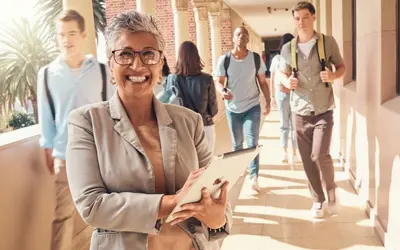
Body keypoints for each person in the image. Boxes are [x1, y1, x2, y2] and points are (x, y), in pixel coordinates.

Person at [66, 11, 232, 250]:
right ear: (111, 64)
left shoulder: (189, 122)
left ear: (160, 62)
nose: (138, 64)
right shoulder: (87, 123)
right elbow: (92, 206)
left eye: (148, 54)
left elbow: (216, 200)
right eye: (125, 54)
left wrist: (217, 217)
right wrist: (173, 201)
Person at [37, 10, 113, 250]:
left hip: (98, 157)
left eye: (71, 33)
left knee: (100, 217)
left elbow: (112, 113)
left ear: (83, 35)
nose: (66, 40)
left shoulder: (102, 71)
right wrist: (48, 147)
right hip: (65, 157)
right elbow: (46, 115)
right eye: (61, 35)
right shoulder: (47, 74)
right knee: (63, 218)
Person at [279, 1, 345, 218]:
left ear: (314, 17)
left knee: (320, 154)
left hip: (323, 109)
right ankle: (317, 200)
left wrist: (334, 75)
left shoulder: (327, 42)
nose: (301, 22)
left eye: (305, 17)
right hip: (299, 111)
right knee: (307, 160)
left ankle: (331, 188)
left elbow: (341, 66)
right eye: (297, 18)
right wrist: (288, 81)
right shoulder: (287, 49)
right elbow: (282, 74)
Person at [215, 26, 271, 193]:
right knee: (237, 143)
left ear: (247, 39)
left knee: (252, 141)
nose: (242, 36)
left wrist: (268, 100)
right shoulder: (224, 59)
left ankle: (254, 177)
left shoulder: (255, 59)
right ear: (233, 38)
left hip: (252, 105)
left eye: (244, 34)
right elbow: (219, 82)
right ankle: (238, 170)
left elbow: (262, 82)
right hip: (232, 108)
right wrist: (223, 91)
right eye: (238, 34)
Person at [164, 41, 218, 153]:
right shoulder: (207, 79)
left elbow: (166, 106)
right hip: (204, 125)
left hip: (181, 129)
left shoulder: (171, 79)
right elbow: (213, 110)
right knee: (206, 166)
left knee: (187, 167)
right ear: (197, 56)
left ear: (179, 57)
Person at [269, 33, 300, 165]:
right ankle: (285, 151)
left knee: (292, 125)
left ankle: (293, 152)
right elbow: (272, 77)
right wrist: (272, 97)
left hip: (294, 93)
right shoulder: (277, 59)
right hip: (281, 93)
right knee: (285, 124)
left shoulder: (297, 58)